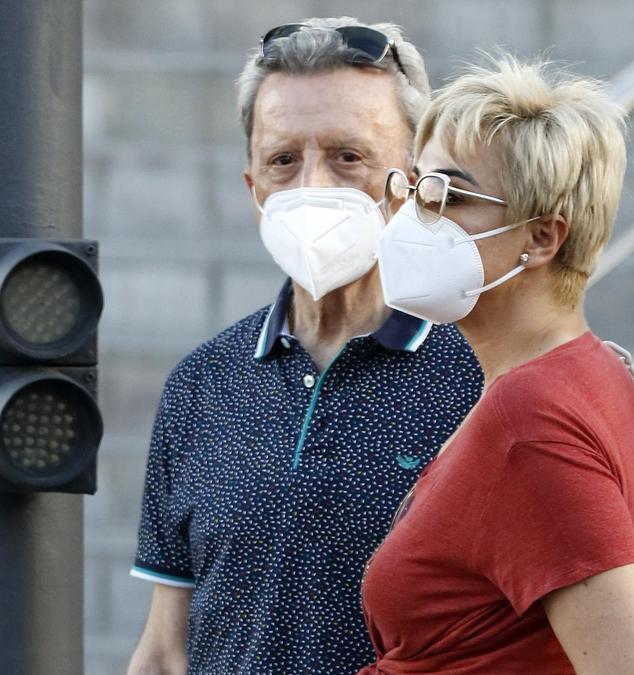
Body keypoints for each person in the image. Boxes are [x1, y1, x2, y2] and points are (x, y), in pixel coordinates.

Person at [126, 18, 482, 674]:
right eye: (284, 160)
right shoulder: (201, 385)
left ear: (412, 180)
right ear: (253, 188)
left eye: (348, 156)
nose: (312, 187)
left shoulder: (482, 382)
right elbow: (165, 648)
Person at [357, 54, 634, 674]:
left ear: (542, 237)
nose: (409, 217)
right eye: (414, 185)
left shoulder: (531, 418)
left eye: (445, 194)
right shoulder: (582, 373)